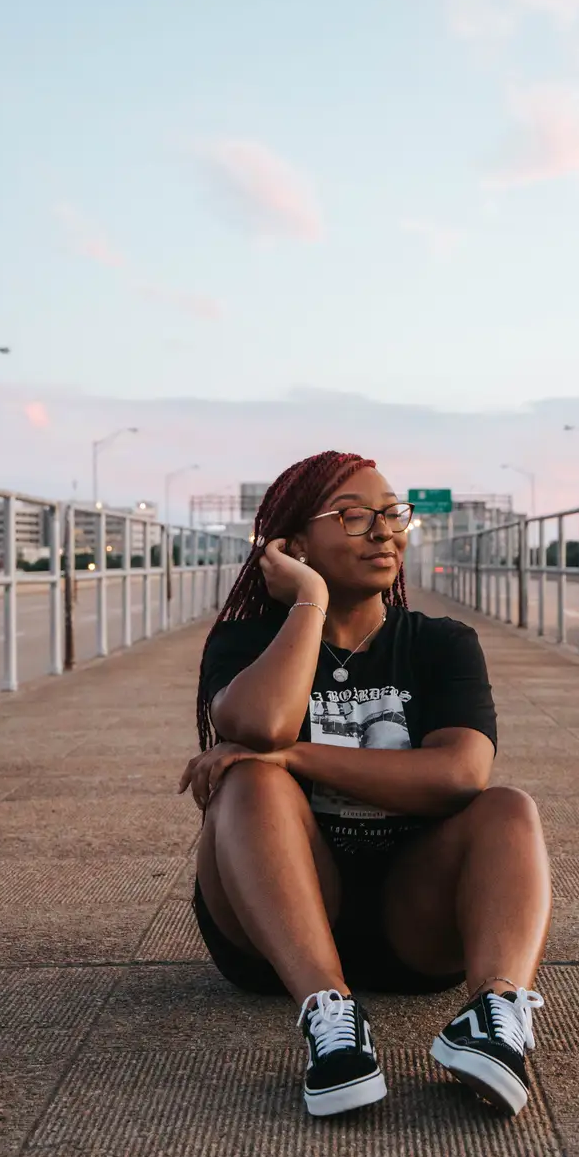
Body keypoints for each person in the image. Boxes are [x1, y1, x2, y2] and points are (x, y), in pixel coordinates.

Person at [180, 450, 551, 1119]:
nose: (384, 532)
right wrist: (311, 604)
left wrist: (295, 759)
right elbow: (261, 721)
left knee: (508, 809)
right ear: (292, 547)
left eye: (392, 515)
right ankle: (332, 1023)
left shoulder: (441, 644)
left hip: (411, 923)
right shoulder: (245, 644)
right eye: (354, 517)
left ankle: (495, 1016)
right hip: (272, 935)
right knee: (249, 787)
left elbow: (460, 775)